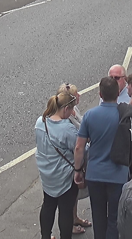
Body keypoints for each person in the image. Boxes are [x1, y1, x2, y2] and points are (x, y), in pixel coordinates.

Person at [74, 76, 132, 239]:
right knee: (114, 217)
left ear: (100, 94)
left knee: (98, 215)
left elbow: (79, 147)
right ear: (118, 94)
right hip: (119, 175)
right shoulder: (127, 115)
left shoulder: (90, 115)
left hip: (95, 175)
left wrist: (78, 170)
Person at [36, 86, 82, 239]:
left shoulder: (40, 123)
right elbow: (80, 148)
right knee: (66, 210)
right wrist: (78, 169)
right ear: (66, 109)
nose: (71, 114)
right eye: (71, 110)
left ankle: (45, 236)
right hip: (64, 177)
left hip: (47, 175)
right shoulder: (66, 128)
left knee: (48, 205)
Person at [60, 83, 93, 234]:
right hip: (70, 162)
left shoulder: (74, 110)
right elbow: (75, 142)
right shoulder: (65, 119)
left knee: (74, 194)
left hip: (78, 158)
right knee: (68, 196)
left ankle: (74, 218)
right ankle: (70, 225)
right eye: (77, 94)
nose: (79, 95)